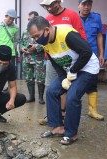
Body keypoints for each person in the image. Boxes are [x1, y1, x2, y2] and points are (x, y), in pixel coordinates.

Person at [28, 16, 99, 145]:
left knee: (72, 96)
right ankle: (57, 127)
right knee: (51, 91)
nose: (36, 40)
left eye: (37, 36)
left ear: (47, 30)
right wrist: (64, 77)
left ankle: (71, 133)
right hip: (70, 70)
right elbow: (56, 63)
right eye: (33, 38)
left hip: (87, 68)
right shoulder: (45, 43)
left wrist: (73, 71)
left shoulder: (67, 34)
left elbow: (87, 52)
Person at [38, 0, 87, 125]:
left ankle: (64, 112)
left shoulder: (72, 15)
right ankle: (53, 116)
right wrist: (47, 56)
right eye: (45, 6)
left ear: (58, 2)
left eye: (50, 4)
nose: (48, 8)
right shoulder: (47, 19)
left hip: (70, 59)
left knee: (67, 86)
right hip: (53, 58)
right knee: (52, 87)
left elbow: (81, 36)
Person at [78, 0, 104, 121]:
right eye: (84, 4)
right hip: (77, 56)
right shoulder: (73, 17)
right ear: (79, 5)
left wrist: (101, 54)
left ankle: (92, 110)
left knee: (92, 82)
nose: (86, 7)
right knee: (74, 81)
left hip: (92, 56)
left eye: (89, 4)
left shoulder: (96, 18)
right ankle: (70, 108)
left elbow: (99, 36)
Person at [20, 11, 45, 104]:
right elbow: (21, 43)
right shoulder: (25, 32)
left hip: (38, 59)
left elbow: (46, 44)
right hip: (27, 59)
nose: (29, 21)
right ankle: (31, 97)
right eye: (28, 19)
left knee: (40, 78)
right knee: (29, 78)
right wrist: (22, 48)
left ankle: (41, 98)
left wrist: (37, 47)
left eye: (32, 19)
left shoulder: (42, 30)